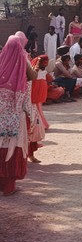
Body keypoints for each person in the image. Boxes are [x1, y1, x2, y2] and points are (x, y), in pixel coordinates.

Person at [0, 33, 37, 195]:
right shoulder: (22, 64)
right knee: (12, 148)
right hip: (15, 118)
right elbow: (33, 77)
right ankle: (9, 187)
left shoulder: (1, 63)